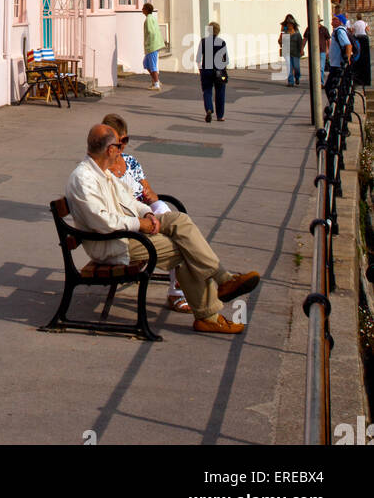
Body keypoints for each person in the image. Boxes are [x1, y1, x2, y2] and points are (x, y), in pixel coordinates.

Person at [66, 124, 260, 334]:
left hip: (125, 232)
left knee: (180, 220)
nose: (121, 151)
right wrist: (140, 223)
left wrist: (147, 214)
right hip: (112, 243)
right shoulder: (83, 179)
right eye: (119, 146)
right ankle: (208, 315)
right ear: (110, 150)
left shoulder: (103, 173)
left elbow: (129, 202)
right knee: (183, 249)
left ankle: (224, 279)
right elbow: (102, 222)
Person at [101, 112, 189, 313]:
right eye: (118, 142)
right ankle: (182, 290)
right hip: (129, 227)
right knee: (180, 239)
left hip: (146, 214)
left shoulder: (131, 162)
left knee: (181, 226)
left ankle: (191, 285)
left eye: (126, 140)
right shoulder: (101, 170)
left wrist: (151, 195)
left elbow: (148, 191)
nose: (122, 146)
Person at [197, 21, 229, 122]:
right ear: (218, 31)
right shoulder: (222, 42)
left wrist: (201, 70)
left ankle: (209, 109)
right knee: (220, 93)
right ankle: (220, 116)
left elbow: (198, 58)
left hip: (206, 70)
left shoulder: (203, 41)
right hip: (219, 71)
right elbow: (226, 60)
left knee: (207, 91)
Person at [325, 15, 351, 101]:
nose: (332, 20)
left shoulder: (339, 31)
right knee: (335, 87)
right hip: (335, 64)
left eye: (334, 19)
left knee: (329, 87)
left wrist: (347, 60)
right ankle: (336, 106)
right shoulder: (337, 31)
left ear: (340, 22)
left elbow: (348, 45)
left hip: (338, 65)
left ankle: (336, 107)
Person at [142, 2, 165, 90]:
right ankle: (156, 80)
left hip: (152, 46)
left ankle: (156, 84)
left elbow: (151, 32)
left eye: (143, 8)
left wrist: (148, 43)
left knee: (152, 65)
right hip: (152, 45)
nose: (142, 10)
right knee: (146, 64)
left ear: (147, 10)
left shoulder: (149, 19)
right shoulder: (151, 18)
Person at [303, 17, 330, 89]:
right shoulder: (309, 29)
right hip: (312, 52)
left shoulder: (324, 29)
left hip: (322, 51)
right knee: (313, 68)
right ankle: (314, 82)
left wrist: (328, 50)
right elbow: (305, 39)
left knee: (321, 68)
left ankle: (320, 83)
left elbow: (328, 40)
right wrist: (302, 48)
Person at [278, 15, 303, 86]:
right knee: (289, 67)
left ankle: (297, 77)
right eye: (288, 23)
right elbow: (280, 41)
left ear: (293, 25)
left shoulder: (297, 33)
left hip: (295, 52)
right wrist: (280, 40)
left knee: (296, 67)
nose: (289, 25)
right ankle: (290, 82)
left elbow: (300, 42)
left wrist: (301, 50)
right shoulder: (284, 32)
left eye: (290, 24)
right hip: (287, 52)